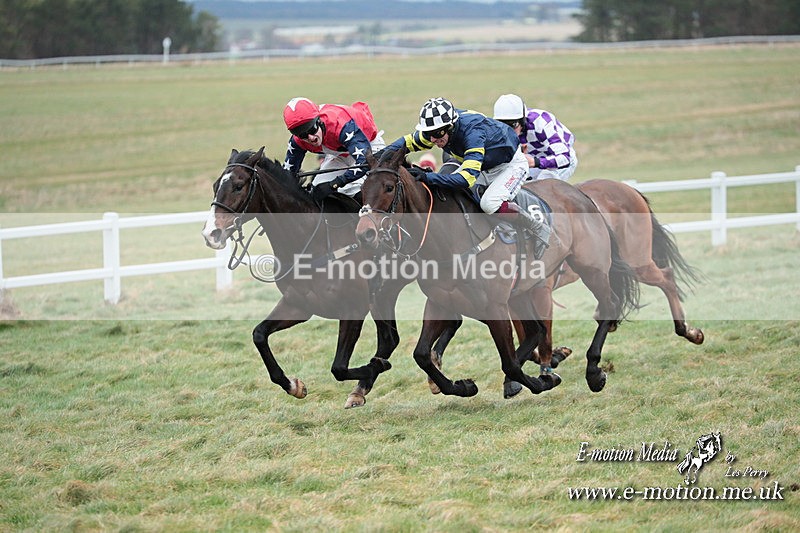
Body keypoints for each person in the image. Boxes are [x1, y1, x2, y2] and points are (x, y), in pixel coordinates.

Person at [385, 97, 544, 236]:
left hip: (511, 165)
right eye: (428, 133)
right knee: (450, 192)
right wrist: (379, 158)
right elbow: (405, 143)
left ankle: (535, 227)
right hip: (484, 166)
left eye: (438, 133)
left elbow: (466, 179)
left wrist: (429, 177)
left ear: (451, 127)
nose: (433, 139)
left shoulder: (472, 133)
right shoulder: (437, 131)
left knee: (489, 204)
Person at [282, 97, 385, 202]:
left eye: (312, 129)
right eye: (303, 135)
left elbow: (364, 161)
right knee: (317, 187)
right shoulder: (297, 141)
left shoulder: (341, 125)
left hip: (369, 147)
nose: (311, 138)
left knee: (351, 188)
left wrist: (334, 184)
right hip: (340, 154)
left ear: (319, 120)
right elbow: (287, 175)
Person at [493, 93, 577, 181]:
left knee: (542, 185)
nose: (508, 131)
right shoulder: (497, 130)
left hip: (559, 160)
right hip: (532, 160)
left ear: (522, 120)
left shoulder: (541, 122)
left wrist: (534, 162)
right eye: (502, 125)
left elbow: (565, 158)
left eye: (512, 125)